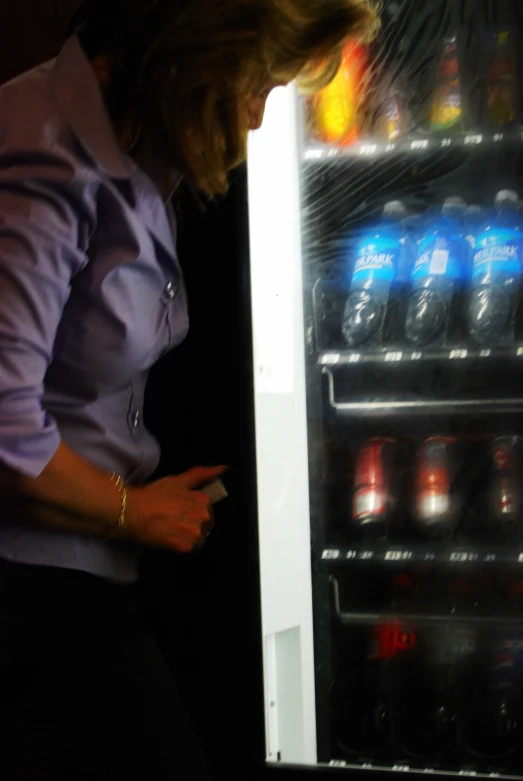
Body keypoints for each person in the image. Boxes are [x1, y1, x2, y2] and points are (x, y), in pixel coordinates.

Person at [0, 0, 378, 778]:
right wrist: (136, 510)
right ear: (196, 49)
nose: (257, 116)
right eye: (258, 85)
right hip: (29, 585)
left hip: (91, 568)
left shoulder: (132, 141)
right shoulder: (45, 151)